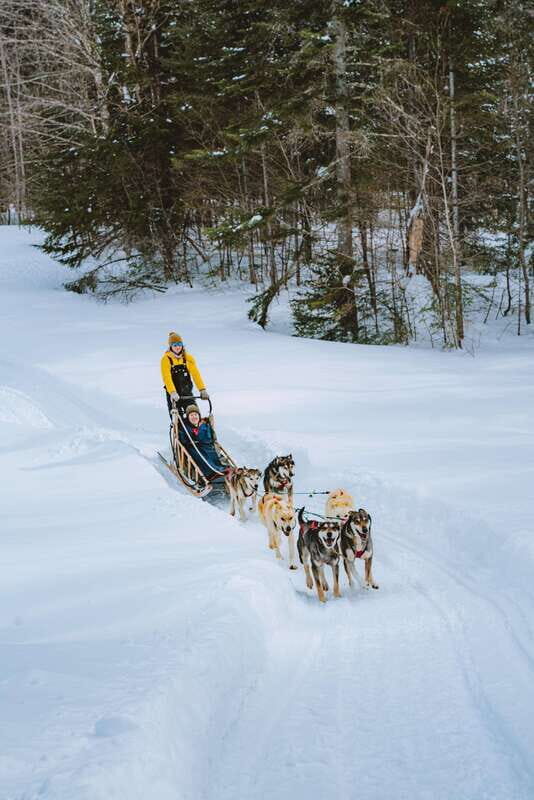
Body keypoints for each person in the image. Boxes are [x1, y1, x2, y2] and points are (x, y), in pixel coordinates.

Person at [161, 332, 210, 417]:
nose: (177, 347)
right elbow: (166, 377)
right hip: (174, 395)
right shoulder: (166, 360)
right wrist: (172, 392)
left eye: (179, 344)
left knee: (194, 414)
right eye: (175, 345)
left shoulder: (188, 358)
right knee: (177, 418)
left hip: (187, 393)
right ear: (170, 346)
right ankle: (175, 429)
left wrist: (202, 389)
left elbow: (196, 374)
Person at [178, 404, 224, 480]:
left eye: (196, 415)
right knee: (201, 455)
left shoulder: (204, 425)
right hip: (193, 447)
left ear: (199, 416)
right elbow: (183, 440)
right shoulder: (185, 427)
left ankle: (219, 468)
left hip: (206, 446)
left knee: (211, 452)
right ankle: (212, 472)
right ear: (188, 417)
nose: (194, 417)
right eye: (191, 415)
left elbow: (210, 437)